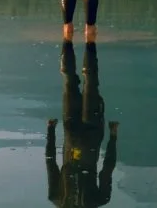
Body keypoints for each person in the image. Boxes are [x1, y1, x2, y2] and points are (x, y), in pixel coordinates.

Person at [45, 41, 118, 207]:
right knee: (70, 82)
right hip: (72, 136)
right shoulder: (57, 198)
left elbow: (107, 170)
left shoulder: (97, 201)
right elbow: (50, 162)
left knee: (90, 83)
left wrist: (113, 137)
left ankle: (88, 42)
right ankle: (74, 41)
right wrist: (50, 131)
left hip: (90, 135)